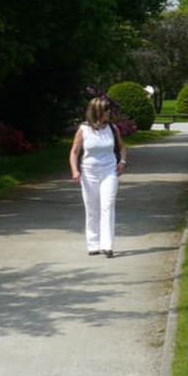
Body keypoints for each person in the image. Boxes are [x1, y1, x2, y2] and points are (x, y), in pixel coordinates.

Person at [69, 95, 127, 258]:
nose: (109, 112)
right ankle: (93, 244)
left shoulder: (112, 129)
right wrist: (75, 170)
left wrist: (122, 162)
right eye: (106, 109)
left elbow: (122, 148)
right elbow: (74, 152)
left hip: (109, 171)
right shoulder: (84, 129)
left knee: (107, 205)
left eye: (109, 109)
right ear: (97, 111)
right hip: (89, 173)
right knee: (92, 208)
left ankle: (107, 245)